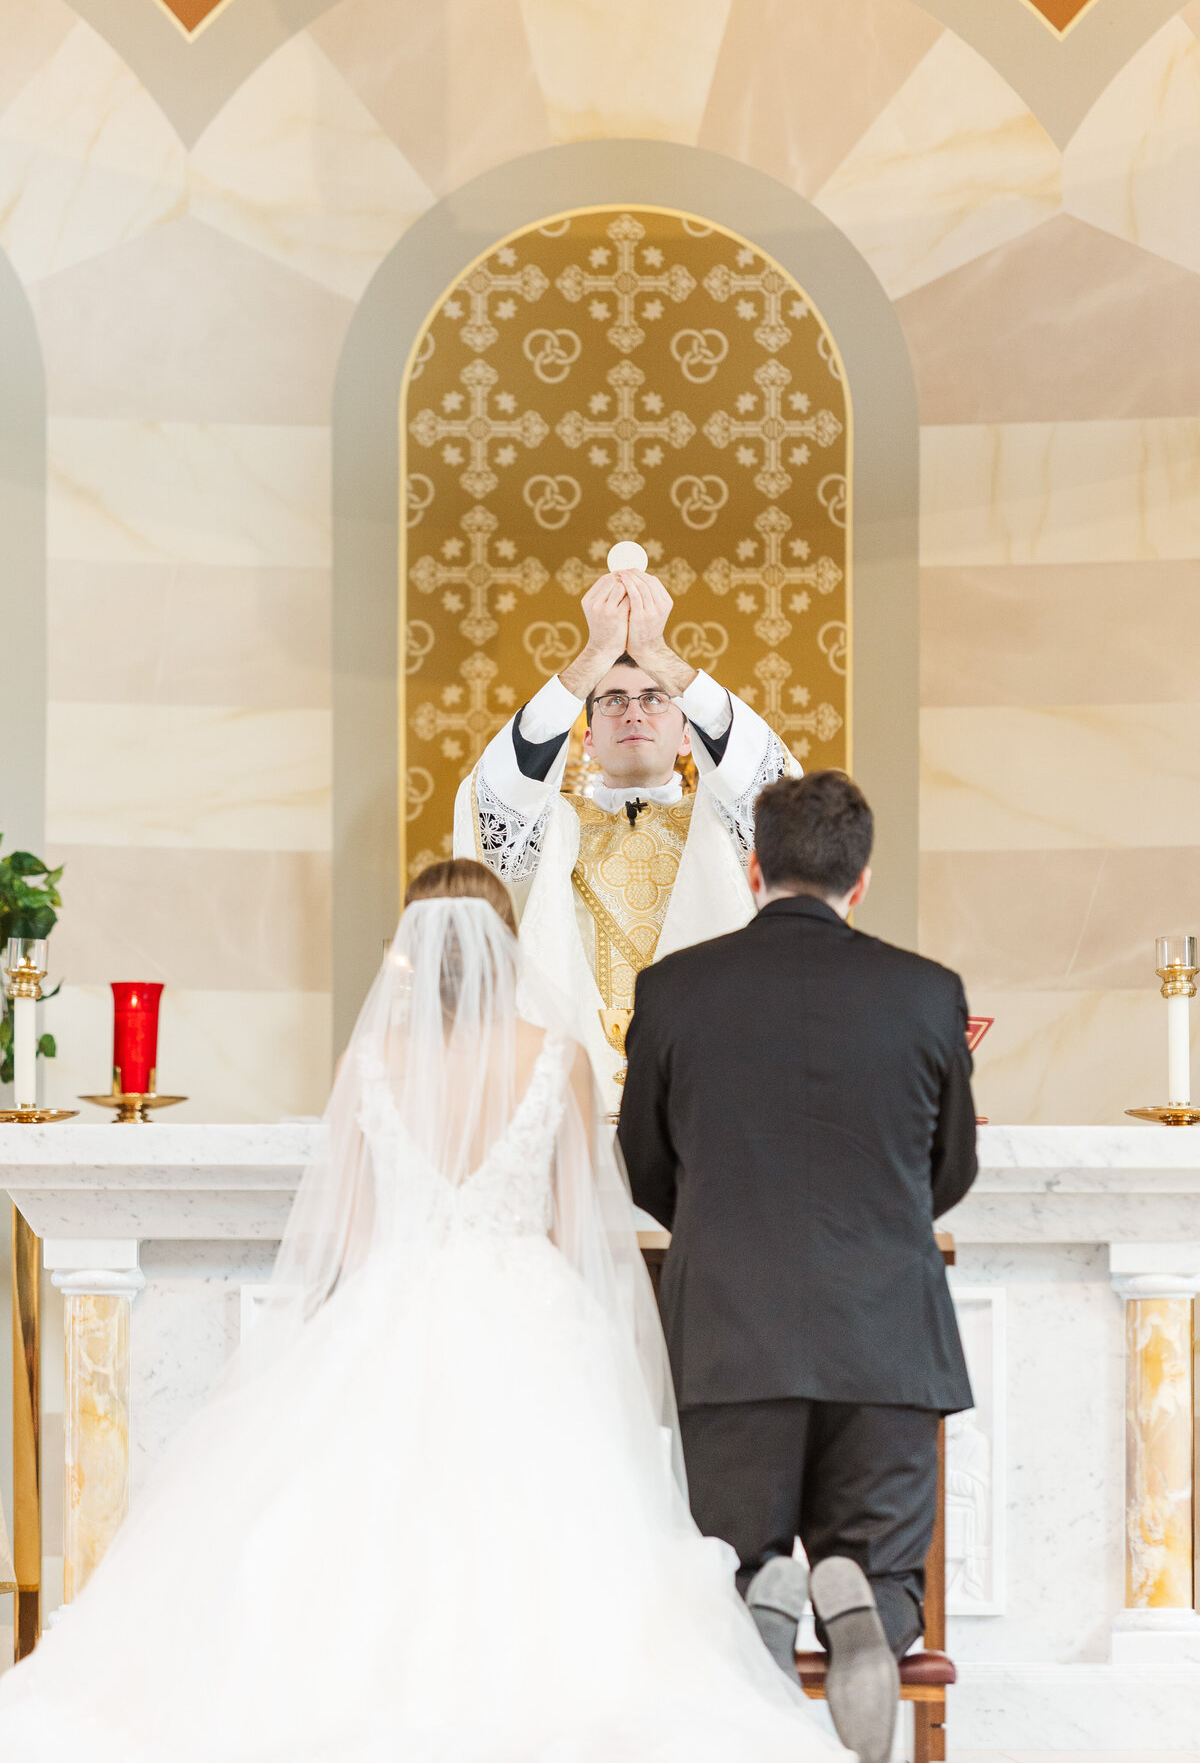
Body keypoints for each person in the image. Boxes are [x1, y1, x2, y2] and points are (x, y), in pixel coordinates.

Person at [0, 858, 847, 1763]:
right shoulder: (554, 1060)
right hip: (529, 1306)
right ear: (506, 949)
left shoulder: (370, 1062)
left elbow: (349, 1232)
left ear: (409, 954)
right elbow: (576, 1229)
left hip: (391, 1301)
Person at [618, 771, 979, 1763]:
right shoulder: (926, 992)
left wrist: (723, 1227)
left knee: (724, 1575)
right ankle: (862, 1595)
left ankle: (762, 1595)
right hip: (889, 1338)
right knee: (889, 1569)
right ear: (860, 882)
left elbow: (644, 1165)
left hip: (733, 1334)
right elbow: (947, 1172)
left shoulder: (674, 988)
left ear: (752, 868)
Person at [454, 568, 801, 1108]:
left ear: (689, 736)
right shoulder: (550, 828)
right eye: (612, 699)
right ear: (587, 739)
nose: (633, 712)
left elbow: (773, 784)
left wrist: (659, 653)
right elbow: (493, 798)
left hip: (709, 1084)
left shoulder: (726, 821)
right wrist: (593, 654)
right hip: (570, 1089)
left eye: (655, 698)